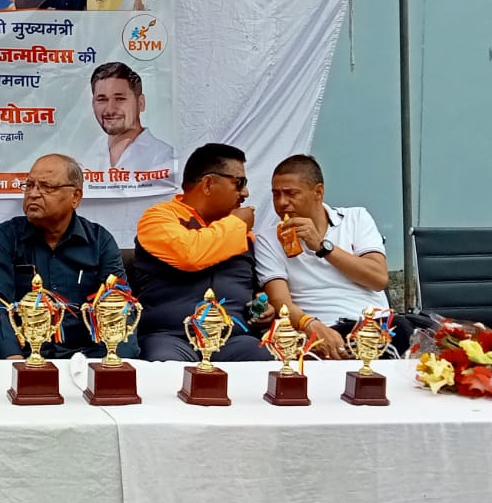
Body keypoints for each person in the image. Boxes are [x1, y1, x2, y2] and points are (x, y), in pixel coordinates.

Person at [0, 154, 136, 360]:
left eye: (46, 187)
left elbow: (120, 306)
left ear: (75, 197)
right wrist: (11, 356)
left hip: (87, 356)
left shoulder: (99, 241)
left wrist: (118, 361)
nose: (33, 194)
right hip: (24, 354)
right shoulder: (7, 237)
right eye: (29, 185)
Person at [256, 154, 409, 357]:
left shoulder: (356, 218)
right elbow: (280, 301)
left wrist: (323, 247)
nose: (282, 202)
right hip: (318, 328)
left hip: (374, 324)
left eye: (291, 193)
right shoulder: (268, 238)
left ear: (318, 192)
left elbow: (378, 279)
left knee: (405, 330)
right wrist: (309, 325)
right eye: (276, 195)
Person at [131, 144, 272, 362]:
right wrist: (236, 224)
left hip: (234, 338)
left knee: (264, 361)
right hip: (171, 337)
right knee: (165, 368)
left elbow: (253, 287)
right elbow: (190, 254)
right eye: (239, 183)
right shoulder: (158, 218)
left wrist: (262, 308)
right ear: (208, 184)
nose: (245, 193)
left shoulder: (243, 233)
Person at [81, 62, 175, 177]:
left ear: (140, 103)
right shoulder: (87, 157)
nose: (110, 110)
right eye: (102, 100)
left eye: (120, 99)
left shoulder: (165, 158)